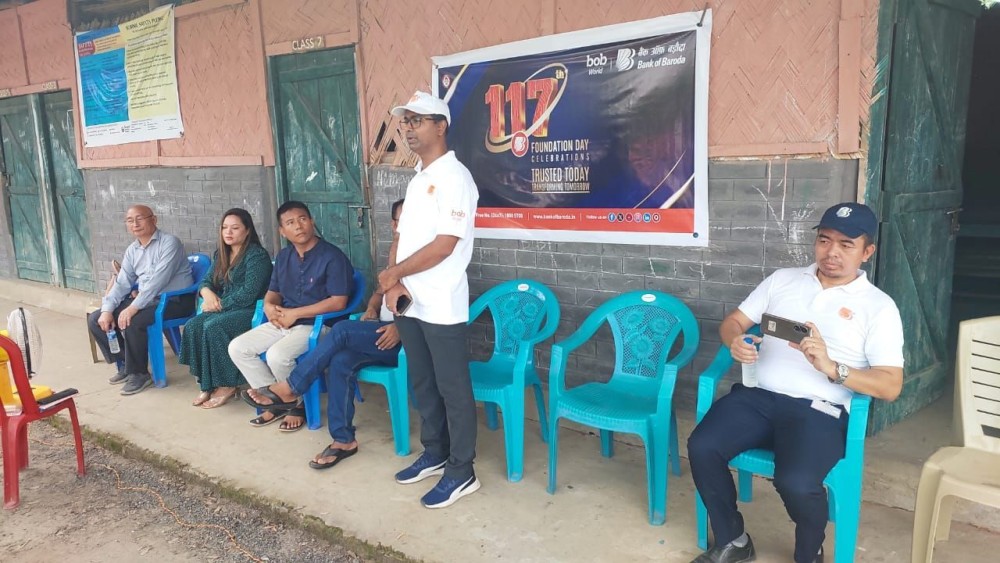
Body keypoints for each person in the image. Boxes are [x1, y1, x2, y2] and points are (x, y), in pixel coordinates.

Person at [687, 202, 905, 563]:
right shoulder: (783, 280)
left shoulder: (879, 307)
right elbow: (733, 323)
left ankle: (808, 552)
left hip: (819, 410)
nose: (831, 252)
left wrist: (833, 367)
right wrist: (735, 342)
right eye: (824, 240)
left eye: (846, 244)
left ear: (867, 252)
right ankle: (732, 539)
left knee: (797, 482)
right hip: (757, 398)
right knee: (702, 446)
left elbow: (890, 386)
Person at [244, 199, 405, 468]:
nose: (407, 226)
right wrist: (373, 308)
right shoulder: (397, 252)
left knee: (340, 329)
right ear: (393, 225)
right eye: (402, 221)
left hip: (410, 340)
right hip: (378, 333)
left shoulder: (430, 258)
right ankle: (343, 440)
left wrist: (401, 326)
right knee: (341, 361)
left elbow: (436, 309)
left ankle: (291, 387)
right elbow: (381, 291)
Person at [379, 91, 479, 509]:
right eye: (405, 122)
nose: (408, 128)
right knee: (422, 382)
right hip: (409, 302)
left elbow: (444, 245)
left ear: (441, 126)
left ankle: (462, 469)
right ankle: (435, 452)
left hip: (441, 304)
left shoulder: (456, 178)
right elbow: (402, 239)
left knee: (452, 387)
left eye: (417, 120)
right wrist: (391, 282)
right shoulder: (418, 178)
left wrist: (395, 275)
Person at [228, 200, 353, 432]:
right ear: (282, 231)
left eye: (303, 219)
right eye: (290, 223)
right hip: (283, 322)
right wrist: (268, 306)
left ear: (312, 222)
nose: (298, 226)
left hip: (319, 326)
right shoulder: (284, 257)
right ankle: (277, 401)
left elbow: (339, 301)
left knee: (277, 355)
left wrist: (295, 314)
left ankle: (298, 406)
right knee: (238, 347)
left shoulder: (332, 256)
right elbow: (273, 292)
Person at [88, 205, 194, 396]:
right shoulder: (132, 250)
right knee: (97, 319)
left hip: (175, 301)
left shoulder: (170, 243)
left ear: (154, 219)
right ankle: (127, 366)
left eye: (140, 218)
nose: (135, 224)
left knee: (133, 320)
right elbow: (122, 283)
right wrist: (107, 309)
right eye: (130, 220)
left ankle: (139, 374)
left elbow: (157, 282)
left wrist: (133, 307)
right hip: (148, 300)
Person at [180, 208, 272, 409]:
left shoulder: (257, 256)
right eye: (224, 228)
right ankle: (207, 382)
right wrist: (207, 293)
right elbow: (206, 281)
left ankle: (228, 384)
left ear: (247, 230)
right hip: (224, 307)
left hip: (251, 310)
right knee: (193, 325)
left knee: (214, 326)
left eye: (235, 228)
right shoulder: (221, 254)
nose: (228, 232)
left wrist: (218, 305)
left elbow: (249, 293)